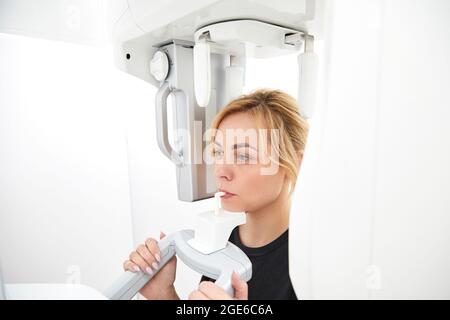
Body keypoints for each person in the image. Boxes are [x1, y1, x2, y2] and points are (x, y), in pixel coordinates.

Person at [122, 89, 309, 300]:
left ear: (298, 163)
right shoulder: (224, 241)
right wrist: (163, 294)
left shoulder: (312, 263)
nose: (220, 171)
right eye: (219, 153)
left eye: (244, 156)